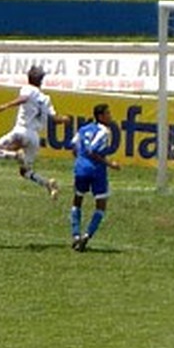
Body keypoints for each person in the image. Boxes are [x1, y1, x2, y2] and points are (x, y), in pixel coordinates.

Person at [0, 65, 72, 200]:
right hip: (34, 138)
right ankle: (48, 184)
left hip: (21, 130)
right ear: (41, 80)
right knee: (26, 172)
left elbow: (24, 99)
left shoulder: (27, 89)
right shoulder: (46, 99)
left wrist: (6, 105)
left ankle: (15, 156)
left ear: (29, 78)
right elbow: (54, 119)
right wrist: (64, 119)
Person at [70, 103, 121, 252]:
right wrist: (110, 164)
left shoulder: (83, 129)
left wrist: (80, 161)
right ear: (100, 117)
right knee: (101, 205)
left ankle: (75, 235)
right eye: (108, 113)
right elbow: (93, 150)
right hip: (96, 171)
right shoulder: (104, 131)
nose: (110, 116)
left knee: (77, 200)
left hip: (80, 169)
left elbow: (73, 146)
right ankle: (86, 236)